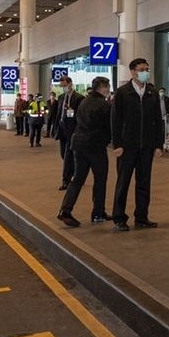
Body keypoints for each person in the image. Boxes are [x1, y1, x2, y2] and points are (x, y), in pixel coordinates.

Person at [110, 58, 162, 231]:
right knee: (123, 182)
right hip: (126, 146)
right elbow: (115, 120)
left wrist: (158, 145)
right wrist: (117, 144)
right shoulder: (123, 92)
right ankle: (119, 218)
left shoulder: (152, 93)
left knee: (144, 183)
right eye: (141, 69)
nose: (145, 72)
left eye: (147, 69)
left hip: (146, 146)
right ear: (132, 71)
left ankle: (141, 217)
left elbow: (158, 120)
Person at [57, 77, 112, 227]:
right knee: (100, 179)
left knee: (77, 179)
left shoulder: (84, 101)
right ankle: (98, 212)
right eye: (107, 87)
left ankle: (65, 210)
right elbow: (108, 127)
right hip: (95, 146)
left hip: (78, 144)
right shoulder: (104, 105)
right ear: (102, 88)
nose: (108, 90)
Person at [53, 77, 84, 190]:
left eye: (65, 85)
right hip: (62, 129)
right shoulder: (61, 97)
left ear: (70, 84)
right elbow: (58, 114)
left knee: (68, 155)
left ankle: (66, 180)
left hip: (72, 130)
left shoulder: (79, 98)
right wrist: (55, 128)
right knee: (64, 155)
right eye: (61, 86)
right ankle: (76, 173)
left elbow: (80, 116)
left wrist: (72, 111)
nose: (63, 88)